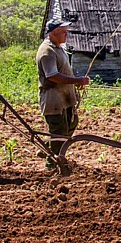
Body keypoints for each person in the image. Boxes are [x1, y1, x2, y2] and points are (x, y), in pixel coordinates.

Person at [37, 19, 90, 169]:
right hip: (53, 99)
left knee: (71, 124)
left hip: (65, 98)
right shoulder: (47, 51)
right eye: (63, 31)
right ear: (53, 33)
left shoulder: (59, 48)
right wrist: (76, 80)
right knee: (59, 132)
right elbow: (52, 75)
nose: (66, 34)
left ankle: (48, 147)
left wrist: (75, 83)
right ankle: (52, 164)